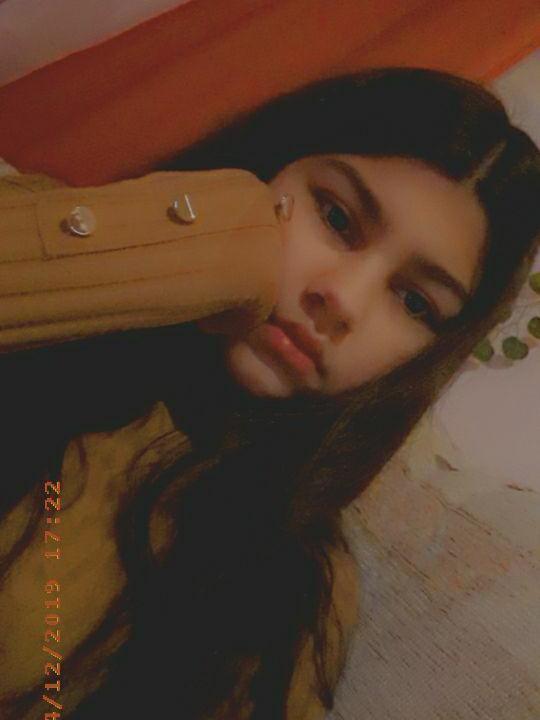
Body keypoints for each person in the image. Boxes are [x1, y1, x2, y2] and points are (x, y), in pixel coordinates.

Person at [0, 66, 539, 719]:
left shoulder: (296, 588)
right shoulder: (42, 233)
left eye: (415, 302)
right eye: (336, 216)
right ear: (267, 163)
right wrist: (188, 242)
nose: (343, 299)